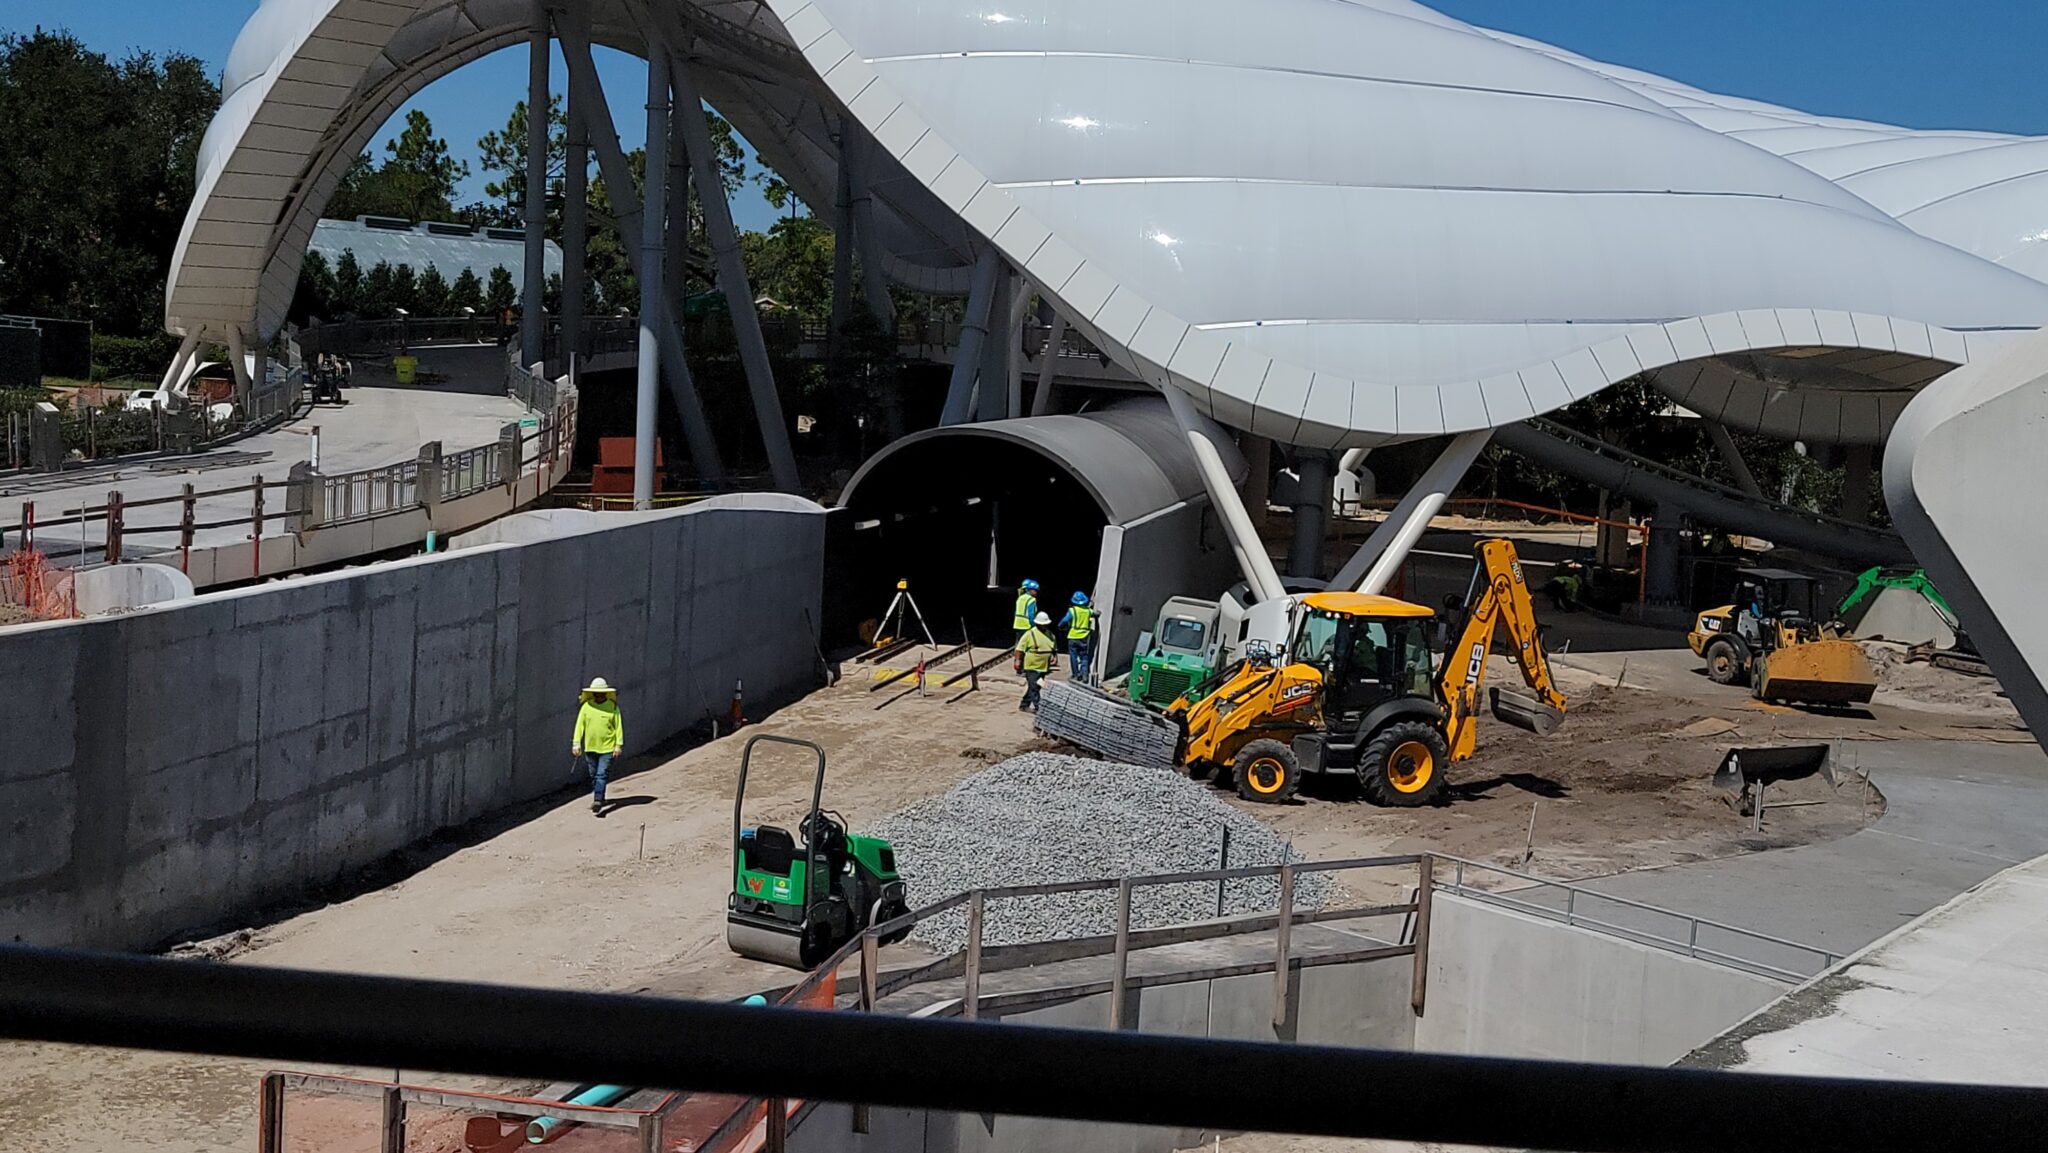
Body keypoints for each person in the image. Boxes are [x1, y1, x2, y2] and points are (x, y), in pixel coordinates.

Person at [570, 677, 624, 815]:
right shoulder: (586, 707)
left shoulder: (613, 707)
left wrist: (618, 745)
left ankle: (598, 800)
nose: (599, 695)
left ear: (605, 693)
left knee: (601, 774)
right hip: (590, 748)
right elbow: (579, 726)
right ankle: (600, 795)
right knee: (593, 774)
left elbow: (618, 726)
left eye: (601, 693)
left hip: (607, 748)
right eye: (596, 693)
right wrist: (576, 743)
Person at [1014, 611, 1057, 711]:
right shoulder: (1029, 634)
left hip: (1043, 667)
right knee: (1034, 686)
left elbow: (1054, 648)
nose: (1044, 626)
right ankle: (1039, 707)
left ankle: (1024, 704)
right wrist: (1018, 661)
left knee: (1036, 686)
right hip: (1031, 666)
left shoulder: (1050, 635)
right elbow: (1019, 649)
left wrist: (1054, 658)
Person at [1059, 591, 1096, 682]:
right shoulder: (1088, 611)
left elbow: (1064, 621)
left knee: (1073, 656)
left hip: (1073, 636)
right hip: (1084, 637)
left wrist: (1060, 626)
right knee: (1084, 657)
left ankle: (1075, 675)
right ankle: (1085, 675)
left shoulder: (1072, 610)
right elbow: (1096, 614)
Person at [1012, 578, 1041, 645]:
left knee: (1019, 644)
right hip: (1026, 626)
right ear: (1029, 590)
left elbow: (1016, 612)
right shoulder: (1031, 599)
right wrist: (1034, 626)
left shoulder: (1020, 598)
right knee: (1027, 644)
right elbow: (1031, 615)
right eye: (1035, 590)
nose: (1036, 592)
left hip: (1017, 624)